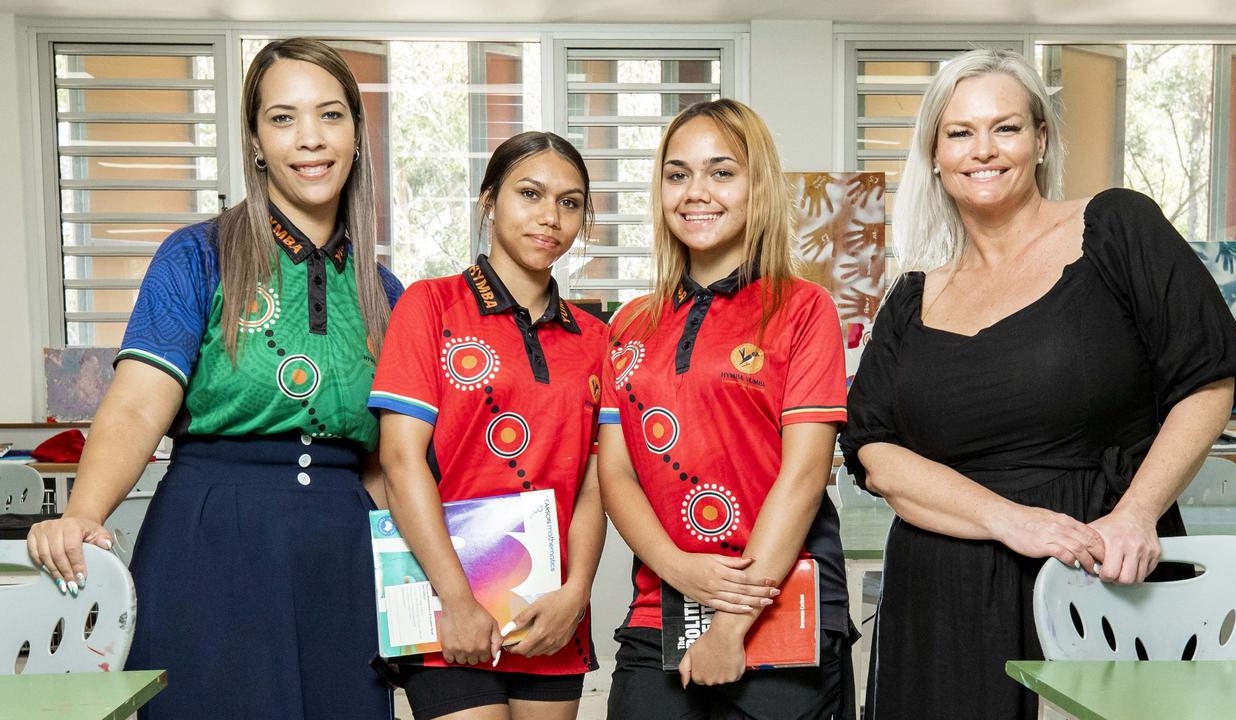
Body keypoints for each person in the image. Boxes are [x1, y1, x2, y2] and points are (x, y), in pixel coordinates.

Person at [840, 48, 1236, 720]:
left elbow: (1208, 377)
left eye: (1005, 127)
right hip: (940, 604)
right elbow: (873, 451)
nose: (983, 150)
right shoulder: (909, 300)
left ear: (1040, 140)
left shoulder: (1116, 228)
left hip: (1100, 576)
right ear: (935, 155)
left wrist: (1138, 512)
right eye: (960, 132)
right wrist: (1010, 521)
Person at [27, 38, 401, 720]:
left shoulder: (386, 292)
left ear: (356, 132)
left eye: (331, 115)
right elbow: (138, 408)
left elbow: (388, 464)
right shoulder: (196, 256)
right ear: (255, 141)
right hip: (211, 544)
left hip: (342, 561)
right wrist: (82, 514)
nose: (310, 138)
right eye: (283, 118)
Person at [599, 98, 855, 720]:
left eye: (721, 171)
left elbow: (804, 475)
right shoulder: (630, 323)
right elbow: (617, 474)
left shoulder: (803, 307)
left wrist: (729, 628)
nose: (696, 192)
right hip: (659, 610)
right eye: (677, 173)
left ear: (757, 187)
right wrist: (679, 569)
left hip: (782, 605)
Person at [370, 131, 607, 720]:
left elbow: (596, 482)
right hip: (445, 602)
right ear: (488, 201)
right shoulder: (429, 305)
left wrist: (575, 596)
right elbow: (400, 463)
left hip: (548, 611)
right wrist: (456, 600)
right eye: (530, 193)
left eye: (570, 202)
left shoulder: (598, 336)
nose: (550, 217)